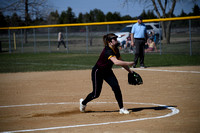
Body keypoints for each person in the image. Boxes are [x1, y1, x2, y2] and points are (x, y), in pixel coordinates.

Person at [80, 33, 134, 114]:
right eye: (114, 39)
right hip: (98, 71)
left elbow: (120, 60)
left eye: (116, 38)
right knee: (96, 94)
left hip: (108, 71)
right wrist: (129, 63)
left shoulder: (115, 49)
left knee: (116, 88)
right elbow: (116, 62)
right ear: (110, 42)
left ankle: (121, 108)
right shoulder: (107, 51)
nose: (116, 40)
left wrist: (130, 71)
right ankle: (83, 103)